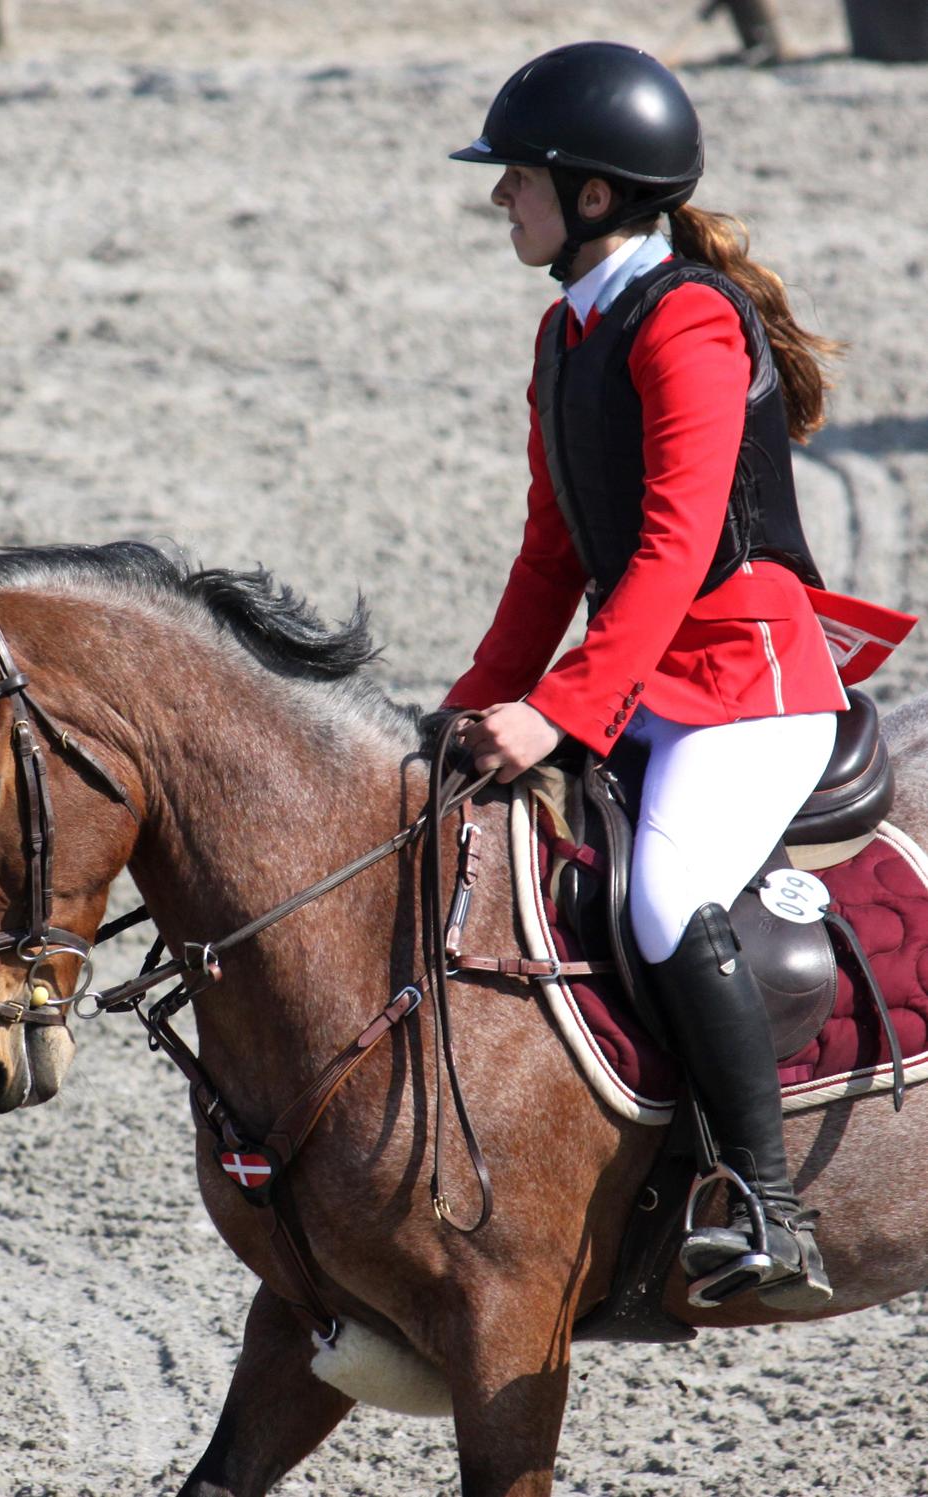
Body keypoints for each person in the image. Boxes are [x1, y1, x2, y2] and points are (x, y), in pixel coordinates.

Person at [443, 41, 912, 1310]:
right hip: (649, 677)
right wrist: (468, 706)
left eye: (518, 179)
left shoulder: (692, 319)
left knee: (662, 895)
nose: (502, 200)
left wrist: (558, 711)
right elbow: (554, 555)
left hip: (748, 681)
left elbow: (671, 546)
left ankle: (765, 1205)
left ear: (594, 194)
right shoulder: (565, 332)